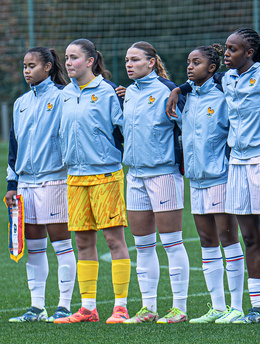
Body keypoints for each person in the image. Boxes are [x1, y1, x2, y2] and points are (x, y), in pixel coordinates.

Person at [168, 28, 260, 324]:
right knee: (249, 237)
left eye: (233, 49)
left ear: (249, 53)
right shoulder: (226, 79)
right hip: (237, 163)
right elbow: (197, 82)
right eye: (226, 48)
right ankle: (258, 307)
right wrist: (178, 89)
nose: (227, 53)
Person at [54, 38, 130, 324]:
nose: (68, 62)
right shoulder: (64, 94)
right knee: (83, 241)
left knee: (113, 239)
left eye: (74, 57)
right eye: (66, 57)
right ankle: (88, 308)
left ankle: (120, 307)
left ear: (90, 61)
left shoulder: (110, 92)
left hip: (106, 174)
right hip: (74, 176)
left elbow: (125, 132)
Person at [169, 44, 244, 324]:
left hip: (221, 178)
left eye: (196, 62)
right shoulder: (186, 99)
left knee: (228, 239)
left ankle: (236, 307)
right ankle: (217, 306)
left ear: (212, 68)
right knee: (207, 241)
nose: (190, 66)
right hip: (196, 180)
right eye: (188, 62)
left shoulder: (224, 95)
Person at [118, 41, 190, 324]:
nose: (129, 64)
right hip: (134, 176)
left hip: (163, 174)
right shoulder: (128, 93)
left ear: (151, 62)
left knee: (172, 243)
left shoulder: (167, 90)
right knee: (143, 245)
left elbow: (187, 127)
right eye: (126, 60)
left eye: (135, 60)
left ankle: (179, 308)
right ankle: (148, 308)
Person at [5, 47, 76, 323]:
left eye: (32, 65)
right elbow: (14, 147)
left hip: (55, 180)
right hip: (26, 185)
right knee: (33, 247)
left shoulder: (63, 97)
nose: (26, 71)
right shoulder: (20, 102)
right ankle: (37, 308)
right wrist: (13, 184)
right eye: (24, 66)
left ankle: (64, 305)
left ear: (48, 67)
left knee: (61, 244)